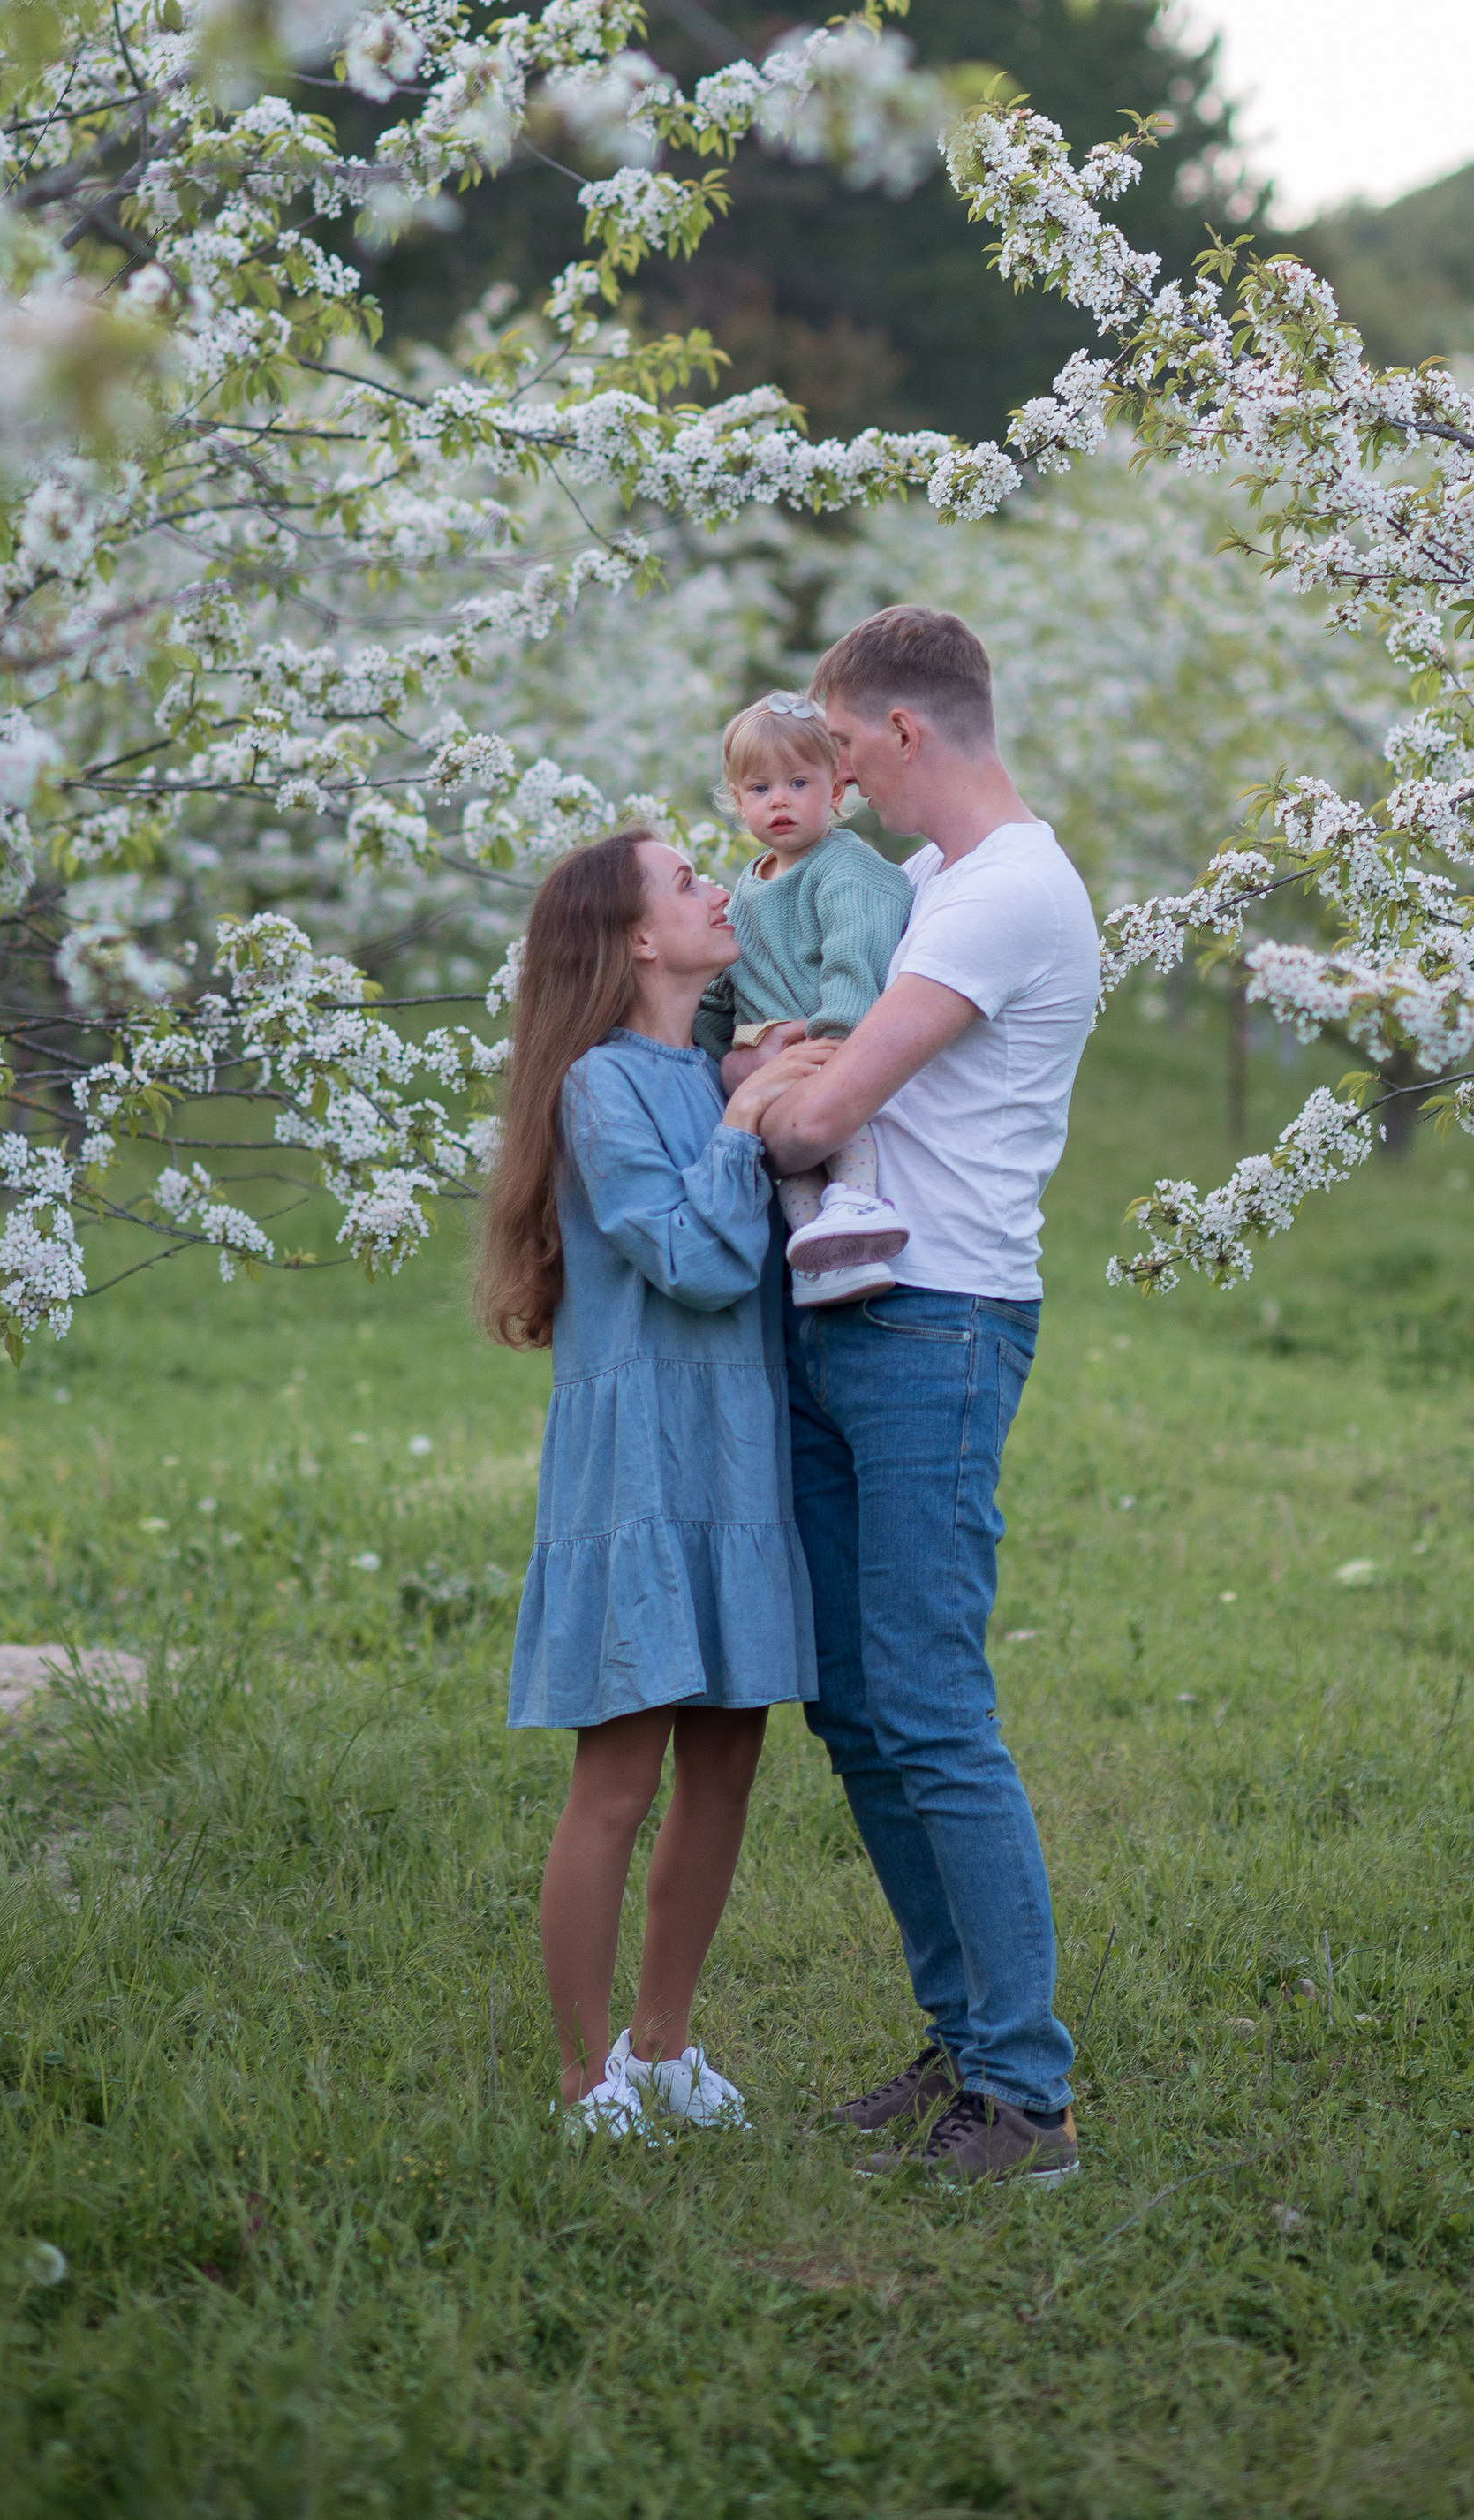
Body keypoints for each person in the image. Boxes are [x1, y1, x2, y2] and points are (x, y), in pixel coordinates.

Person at [750, 606, 1101, 2189]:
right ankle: (965, 2039)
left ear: (904, 731)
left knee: (931, 1701)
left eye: (840, 747)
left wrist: (761, 1090)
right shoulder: (920, 883)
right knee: (855, 1701)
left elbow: (823, 1106)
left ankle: (1027, 2096)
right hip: (846, 1311)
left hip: (937, 1320)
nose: (830, 775)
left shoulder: (1010, 889)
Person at [478, 827, 826, 2138]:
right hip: (637, 1465)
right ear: (633, 938)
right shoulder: (596, 1089)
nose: (718, 888)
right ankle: (586, 2079)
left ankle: (666, 2043)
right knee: (617, 1779)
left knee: (728, 1762)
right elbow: (692, 1255)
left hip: (737, 1451)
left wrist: (755, 1083)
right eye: (687, 882)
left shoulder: (709, 1068)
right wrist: (743, 1119)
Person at [692, 690, 917, 1308]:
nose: (781, 799)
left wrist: (838, 1040)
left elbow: (854, 954)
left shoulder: (843, 867)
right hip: (769, 1073)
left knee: (841, 1133)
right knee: (791, 1168)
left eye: (798, 781)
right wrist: (719, 1056)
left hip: (827, 1050)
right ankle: (822, 1250)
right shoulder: (748, 886)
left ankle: (856, 1200)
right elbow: (723, 986)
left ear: (835, 790)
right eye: (760, 788)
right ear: (738, 801)